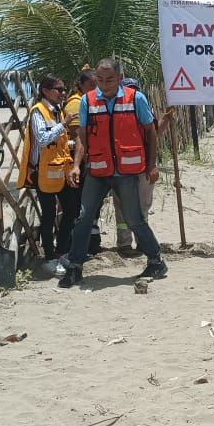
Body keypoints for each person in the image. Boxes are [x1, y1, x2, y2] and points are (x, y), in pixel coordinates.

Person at [59, 58, 166, 287]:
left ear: (119, 78)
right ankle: (75, 266)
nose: (104, 84)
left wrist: (152, 164)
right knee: (83, 218)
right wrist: (77, 165)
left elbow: (151, 132)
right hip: (98, 170)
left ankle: (156, 260)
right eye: (100, 79)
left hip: (126, 170)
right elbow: (82, 136)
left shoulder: (135, 98)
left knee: (134, 219)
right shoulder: (88, 101)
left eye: (110, 79)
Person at [17, 75, 79, 275]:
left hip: (60, 171)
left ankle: (62, 251)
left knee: (71, 210)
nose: (62, 93)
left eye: (63, 89)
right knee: (49, 215)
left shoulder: (57, 111)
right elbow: (43, 139)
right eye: (58, 89)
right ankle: (50, 257)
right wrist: (64, 124)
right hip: (43, 173)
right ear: (45, 90)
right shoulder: (38, 112)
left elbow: (59, 142)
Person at [113, 77, 175, 253]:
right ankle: (124, 243)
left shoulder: (143, 109)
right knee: (122, 205)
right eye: (130, 90)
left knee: (143, 205)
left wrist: (165, 119)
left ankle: (141, 241)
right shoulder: (114, 113)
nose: (133, 93)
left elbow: (154, 135)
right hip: (121, 168)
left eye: (135, 89)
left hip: (143, 166)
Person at [63, 68, 101, 259]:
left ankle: (90, 245)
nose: (96, 89)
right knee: (79, 207)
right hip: (77, 164)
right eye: (91, 86)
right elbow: (79, 136)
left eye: (97, 85)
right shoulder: (76, 104)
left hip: (88, 162)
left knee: (90, 206)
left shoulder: (89, 101)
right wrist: (79, 164)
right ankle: (78, 247)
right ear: (81, 85)